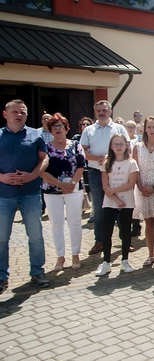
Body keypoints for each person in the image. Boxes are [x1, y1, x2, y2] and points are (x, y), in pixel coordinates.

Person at [0, 99, 50, 292]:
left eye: (22, 112)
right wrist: (2, 177)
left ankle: (37, 272)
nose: (19, 115)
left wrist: (33, 175)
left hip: (30, 193)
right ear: (5, 114)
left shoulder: (35, 135)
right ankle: (1, 276)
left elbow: (44, 158)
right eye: (14, 112)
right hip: (4, 194)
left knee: (35, 236)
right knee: (2, 238)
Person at [81, 100, 129, 255]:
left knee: (122, 206)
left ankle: (125, 241)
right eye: (99, 110)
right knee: (100, 209)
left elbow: (127, 146)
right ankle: (100, 241)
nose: (102, 113)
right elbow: (83, 152)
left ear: (110, 111)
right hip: (96, 172)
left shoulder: (119, 128)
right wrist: (97, 158)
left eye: (104, 110)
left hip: (118, 171)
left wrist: (110, 158)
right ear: (95, 112)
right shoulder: (89, 130)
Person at [40, 113, 86, 271]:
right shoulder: (45, 147)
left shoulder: (75, 145)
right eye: (54, 126)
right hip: (52, 190)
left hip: (73, 189)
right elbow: (41, 170)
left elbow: (81, 166)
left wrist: (72, 183)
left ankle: (75, 254)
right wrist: (59, 184)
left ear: (66, 128)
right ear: (50, 130)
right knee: (56, 224)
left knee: (74, 222)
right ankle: (60, 256)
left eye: (60, 126)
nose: (58, 129)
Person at [97, 134, 139, 276]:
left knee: (126, 231)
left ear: (126, 145)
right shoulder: (107, 163)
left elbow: (130, 184)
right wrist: (115, 199)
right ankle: (106, 262)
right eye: (116, 144)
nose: (119, 147)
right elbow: (105, 185)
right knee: (107, 232)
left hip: (127, 202)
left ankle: (125, 260)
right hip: (110, 203)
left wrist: (114, 192)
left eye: (121, 144)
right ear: (111, 147)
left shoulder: (131, 163)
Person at [133, 116, 154, 267]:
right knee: (148, 222)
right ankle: (150, 254)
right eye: (149, 127)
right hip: (143, 189)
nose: (152, 130)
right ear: (145, 128)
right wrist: (140, 187)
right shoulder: (137, 147)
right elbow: (135, 169)